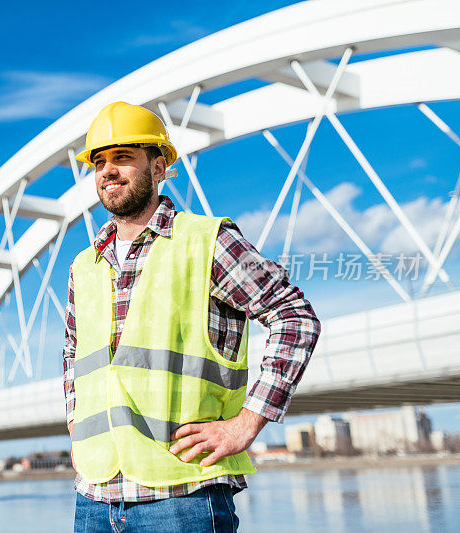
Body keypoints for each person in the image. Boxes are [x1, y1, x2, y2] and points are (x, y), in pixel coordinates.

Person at [64, 102, 321, 532]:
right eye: (99, 161)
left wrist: (246, 423)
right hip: (94, 497)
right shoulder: (83, 266)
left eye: (123, 157)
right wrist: (76, 427)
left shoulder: (207, 241)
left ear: (159, 166)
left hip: (182, 497)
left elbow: (295, 317)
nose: (108, 170)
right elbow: (73, 354)